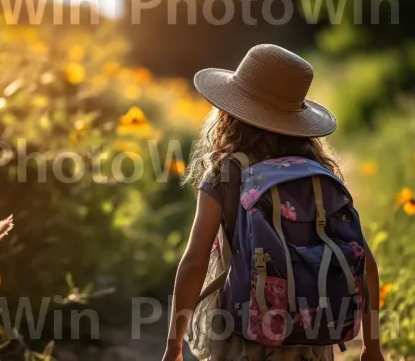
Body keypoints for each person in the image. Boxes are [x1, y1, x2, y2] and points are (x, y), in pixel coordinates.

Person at [162, 44, 384, 361]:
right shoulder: (320, 173)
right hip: (311, 336)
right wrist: (372, 346)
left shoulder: (226, 175)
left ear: (230, 114)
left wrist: (173, 346)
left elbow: (195, 262)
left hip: (242, 337)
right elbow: (366, 262)